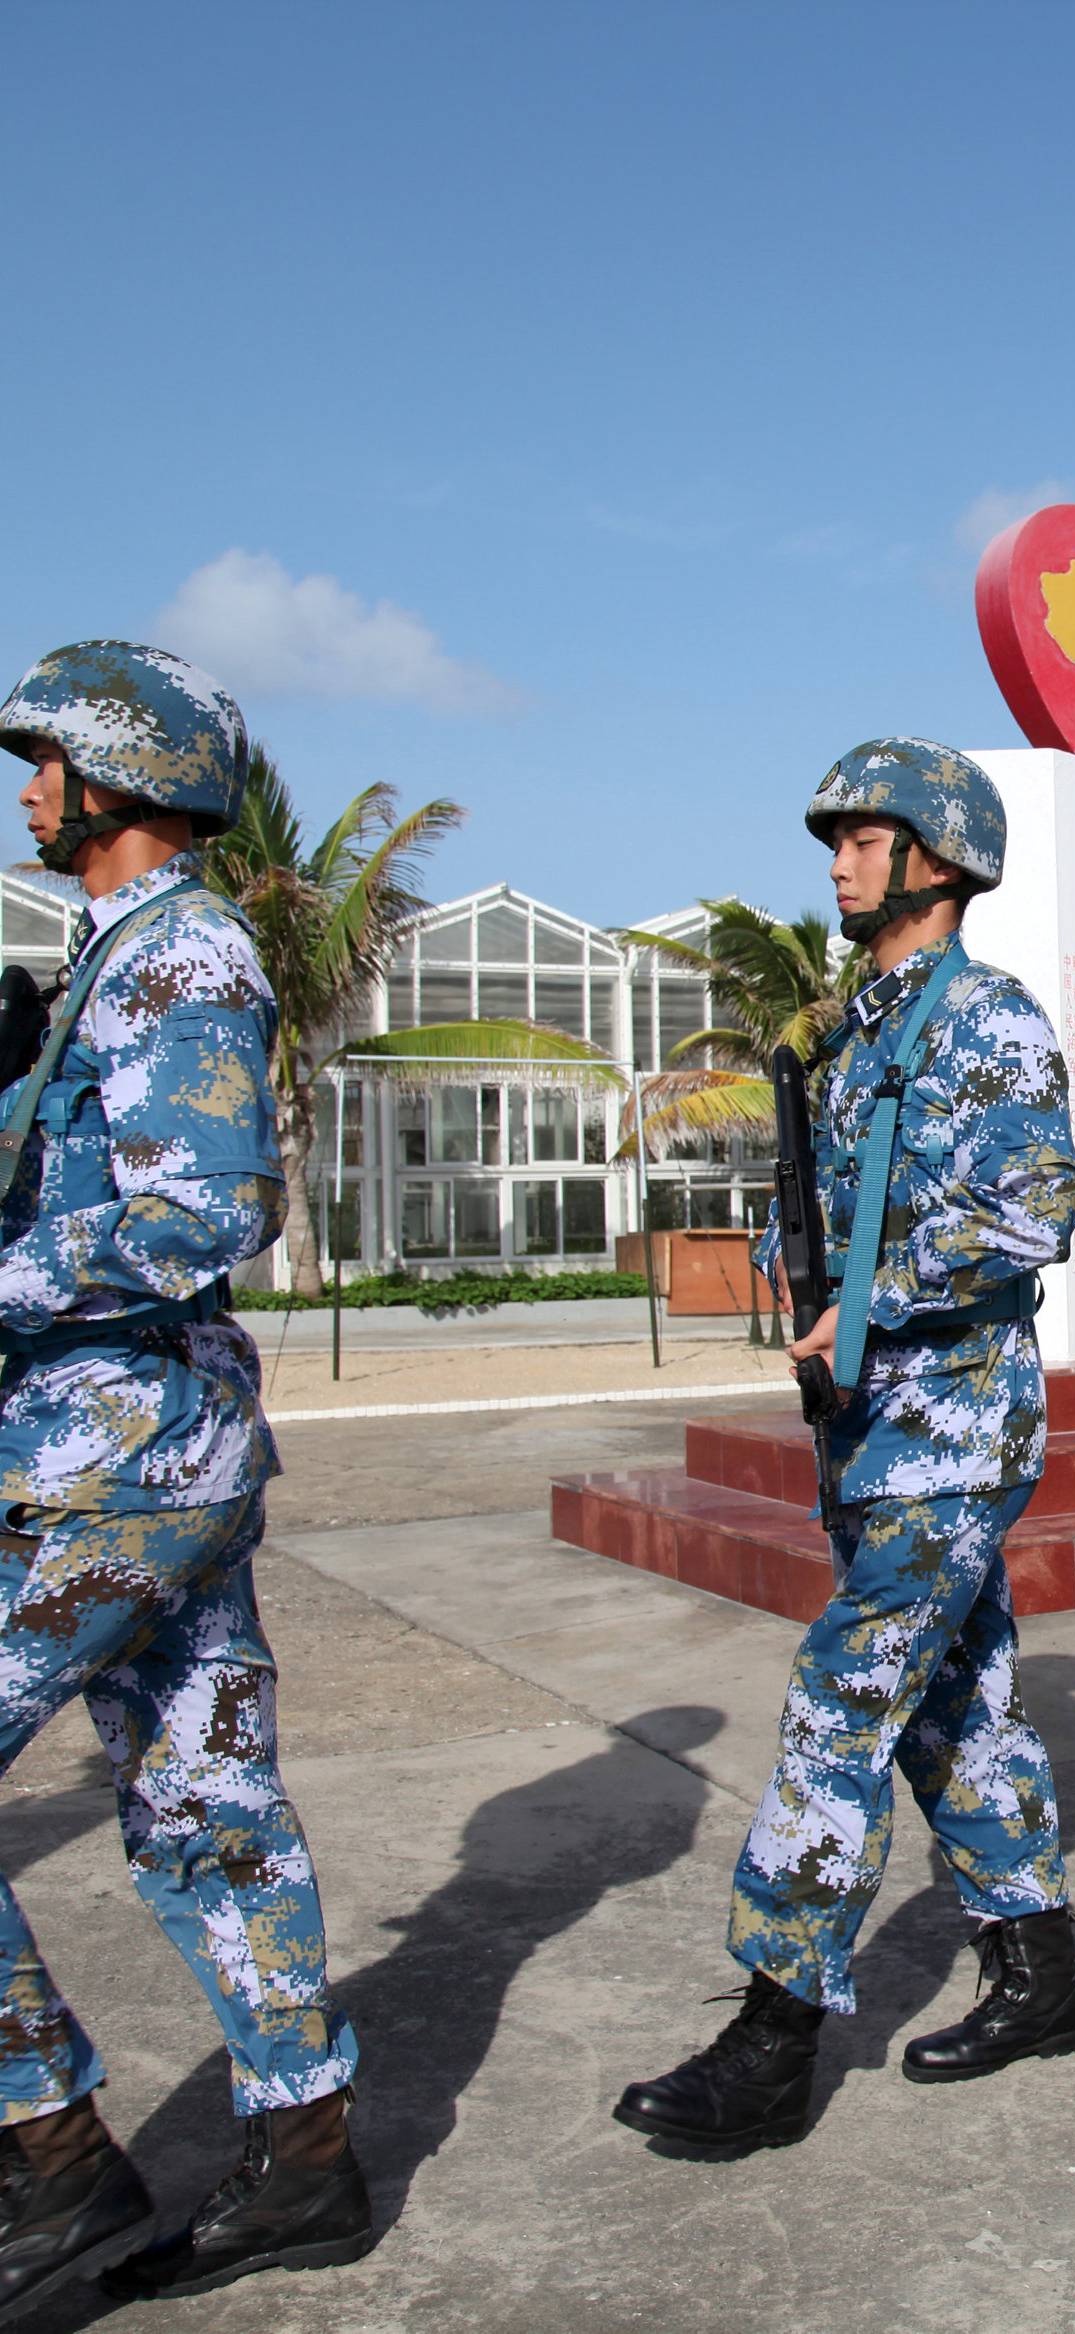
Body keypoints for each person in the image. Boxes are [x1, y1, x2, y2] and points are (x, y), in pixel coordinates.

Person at [615, 737, 1075, 2154]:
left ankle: (773, 2033)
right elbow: (832, 1212)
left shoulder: (984, 1021)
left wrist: (873, 1289)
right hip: (872, 1423)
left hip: (952, 1422)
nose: (836, 859)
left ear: (935, 859)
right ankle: (1040, 1971)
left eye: (863, 838)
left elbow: (1036, 1210)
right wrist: (807, 1274)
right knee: (955, 1709)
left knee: (843, 1698)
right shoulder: (855, 1031)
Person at [0, 642, 367, 2319]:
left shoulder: (180, 950)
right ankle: (306, 2155)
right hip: (145, 1439)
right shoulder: (115, 956)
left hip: (116, 1447)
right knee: (207, 1807)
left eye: (44, 761)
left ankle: (49, 2154)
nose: (25, 790)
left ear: (116, 776)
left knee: (205, 1807)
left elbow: (202, 1209)